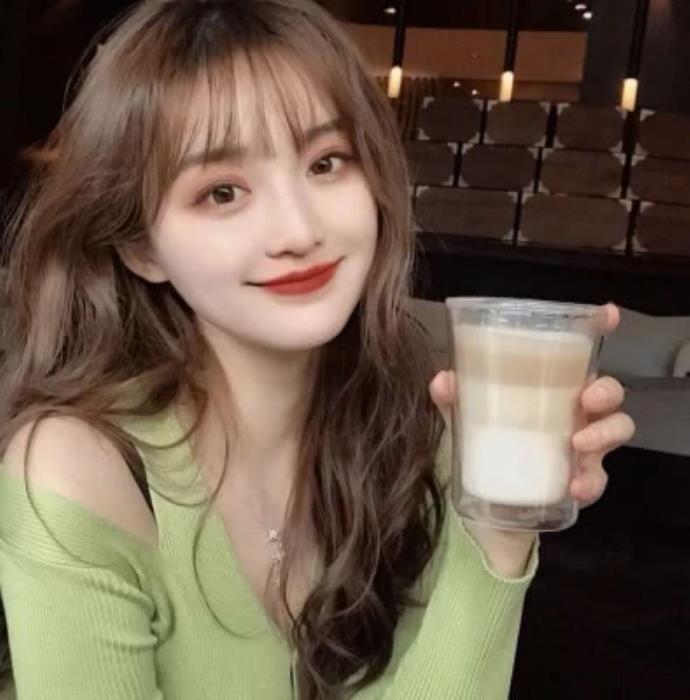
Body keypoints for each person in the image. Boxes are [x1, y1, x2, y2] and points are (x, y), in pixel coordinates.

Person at [0, 1, 636, 698]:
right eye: (222, 192)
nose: (298, 230)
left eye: (326, 162)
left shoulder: (414, 438)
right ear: (140, 246)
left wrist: (500, 525)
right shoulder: (81, 472)